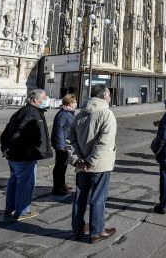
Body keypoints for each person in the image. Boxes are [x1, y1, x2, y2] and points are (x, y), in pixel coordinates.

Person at [67, 85, 117, 244]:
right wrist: (90, 161)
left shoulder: (80, 114)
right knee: (98, 198)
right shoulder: (106, 114)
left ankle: (77, 229)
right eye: (108, 94)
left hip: (82, 164)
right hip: (99, 165)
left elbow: (70, 140)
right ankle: (97, 231)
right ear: (104, 96)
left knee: (80, 197)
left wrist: (77, 159)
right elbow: (104, 144)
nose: (110, 97)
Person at [0, 89, 53, 221]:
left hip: (14, 155)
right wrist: (32, 152)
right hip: (24, 156)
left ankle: (10, 208)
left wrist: (6, 149)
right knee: (25, 183)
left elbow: (6, 133)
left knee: (14, 181)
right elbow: (31, 137)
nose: (46, 100)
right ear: (35, 100)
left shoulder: (21, 112)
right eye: (44, 98)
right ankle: (23, 211)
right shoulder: (32, 114)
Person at [51, 94, 77, 195]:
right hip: (62, 145)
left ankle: (62, 184)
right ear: (70, 103)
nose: (76, 104)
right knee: (59, 166)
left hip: (66, 144)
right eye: (74, 102)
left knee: (63, 165)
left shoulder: (69, 113)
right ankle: (57, 188)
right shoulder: (63, 114)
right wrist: (61, 146)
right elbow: (58, 130)